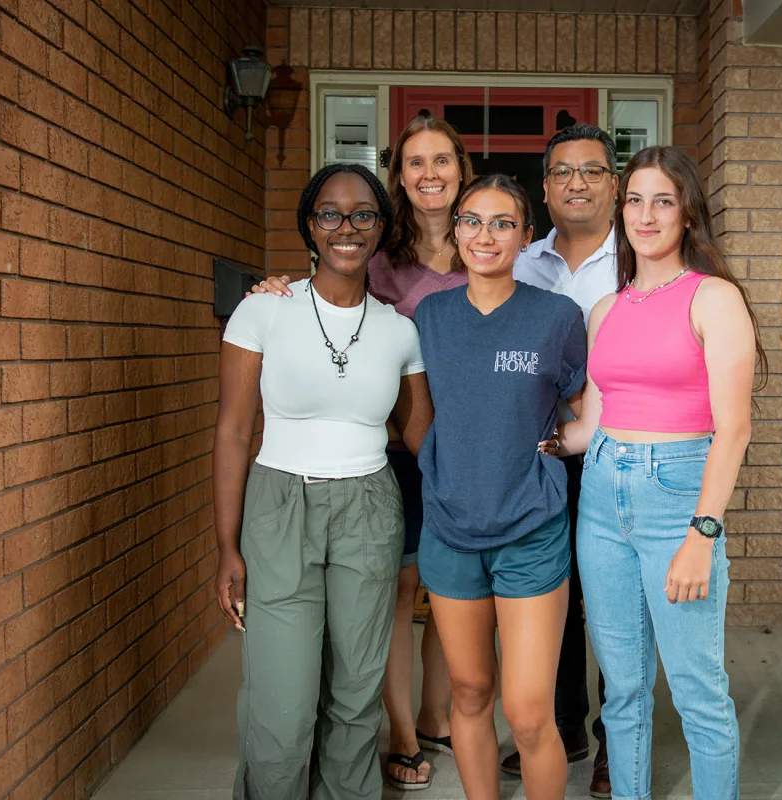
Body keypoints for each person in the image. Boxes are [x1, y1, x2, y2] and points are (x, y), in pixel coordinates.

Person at [247, 114, 470, 790]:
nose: (429, 173)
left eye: (442, 160)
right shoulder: (378, 256)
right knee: (384, 606)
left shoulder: (494, 245)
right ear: (400, 176)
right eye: (414, 162)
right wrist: (273, 291)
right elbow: (329, 302)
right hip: (369, 456)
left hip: (437, 457)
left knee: (433, 605)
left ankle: (430, 722)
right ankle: (400, 736)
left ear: (461, 167)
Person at [214, 163, 432, 800]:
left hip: (369, 506)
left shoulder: (399, 331)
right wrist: (227, 545)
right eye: (330, 214)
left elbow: (422, 436)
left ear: (381, 228)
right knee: (282, 701)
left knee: (356, 691)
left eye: (363, 214)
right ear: (309, 226)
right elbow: (232, 431)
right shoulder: (263, 313)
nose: (346, 227)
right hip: (279, 502)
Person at [555, 146, 766, 800]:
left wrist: (701, 535)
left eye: (663, 201)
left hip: (678, 497)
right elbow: (590, 424)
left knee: (698, 691)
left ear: (687, 214)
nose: (646, 215)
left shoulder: (715, 299)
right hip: (600, 495)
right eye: (636, 200)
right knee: (623, 691)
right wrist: (514, 441)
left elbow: (733, 428)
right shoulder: (606, 312)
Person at [416, 174, 586, 800]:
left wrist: (564, 445)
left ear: (525, 235)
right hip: (451, 529)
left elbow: (585, 406)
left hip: (530, 531)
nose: (485, 235)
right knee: (469, 692)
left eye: (503, 223)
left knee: (528, 710)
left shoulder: (557, 318)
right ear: (455, 231)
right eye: (472, 221)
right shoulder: (428, 317)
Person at [508, 123, 619, 799]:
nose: (577, 182)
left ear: (613, 183)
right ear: (545, 189)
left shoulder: (638, 260)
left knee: (610, 596)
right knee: (550, 592)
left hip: (618, 448)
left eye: (593, 171)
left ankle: (616, 739)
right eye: (563, 172)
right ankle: (560, 725)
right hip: (542, 451)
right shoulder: (521, 262)